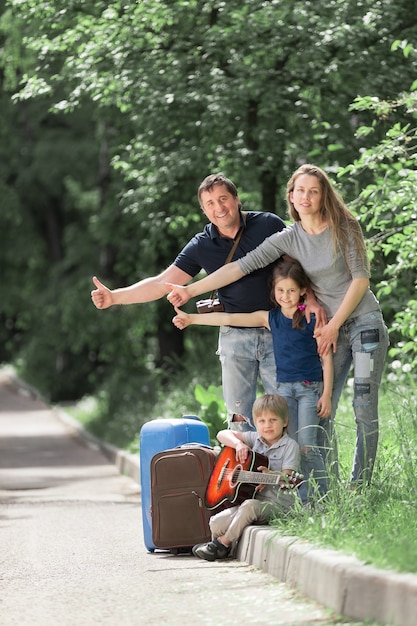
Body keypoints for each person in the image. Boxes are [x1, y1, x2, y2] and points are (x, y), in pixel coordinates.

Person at [167, 164, 389, 488]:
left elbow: (360, 280)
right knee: (321, 408)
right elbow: (240, 267)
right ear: (291, 196)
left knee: (363, 407)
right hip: (327, 329)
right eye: (300, 191)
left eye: (314, 190)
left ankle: (362, 487)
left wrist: (333, 325)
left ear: (323, 195)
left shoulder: (345, 227)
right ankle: (324, 489)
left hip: (361, 322)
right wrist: (190, 290)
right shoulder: (289, 238)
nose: (306, 197)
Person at [91, 172, 324, 432]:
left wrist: (310, 301)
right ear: (203, 210)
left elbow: (300, 266)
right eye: (210, 204)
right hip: (235, 336)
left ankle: (291, 472)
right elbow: (163, 282)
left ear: (236, 200)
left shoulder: (268, 224)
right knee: (239, 418)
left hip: (280, 331)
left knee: (286, 409)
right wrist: (115, 296)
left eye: (223, 199)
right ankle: (244, 472)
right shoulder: (202, 245)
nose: (219, 208)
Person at [173, 257, 332, 503]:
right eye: (280, 290)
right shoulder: (270, 318)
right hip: (284, 392)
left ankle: (324, 499)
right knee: (291, 443)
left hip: (311, 390)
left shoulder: (311, 317)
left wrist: (327, 394)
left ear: (303, 290)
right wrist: (192, 318)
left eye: (291, 290)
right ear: (274, 291)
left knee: (308, 446)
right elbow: (230, 319)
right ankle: (298, 499)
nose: (286, 296)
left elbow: (327, 357)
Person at [192, 393, 300, 561]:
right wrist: (238, 444)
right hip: (251, 504)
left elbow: (288, 478)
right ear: (255, 423)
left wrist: (271, 475)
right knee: (215, 522)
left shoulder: (290, 446)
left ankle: (222, 545)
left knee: (249, 505)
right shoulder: (255, 438)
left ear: (284, 422)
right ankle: (218, 547)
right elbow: (222, 434)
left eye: (273, 420)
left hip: (278, 507)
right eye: (262, 421)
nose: (267, 426)